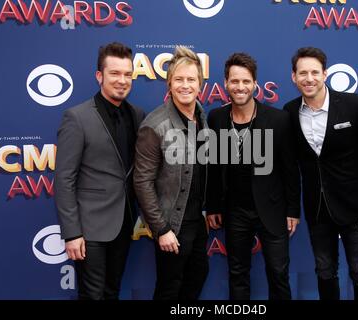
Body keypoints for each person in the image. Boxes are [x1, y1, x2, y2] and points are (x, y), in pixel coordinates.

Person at [283, 47, 358, 300]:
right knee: (325, 271)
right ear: (293, 77)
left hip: (356, 207)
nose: (309, 78)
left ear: (325, 74)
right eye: (303, 73)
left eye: (315, 72)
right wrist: (292, 210)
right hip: (317, 209)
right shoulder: (289, 111)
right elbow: (290, 167)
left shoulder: (356, 104)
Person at [206, 52, 300, 300]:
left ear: (255, 84)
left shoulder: (278, 119)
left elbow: (290, 169)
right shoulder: (216, 118)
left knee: (278, 273)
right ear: (226, 84)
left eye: (246, 81)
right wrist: (214, 205)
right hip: (235, 210)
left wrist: (292, 210)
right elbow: (214, 168)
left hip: (273, 208)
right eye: (234, 81)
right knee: (237, 273)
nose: (240, 87)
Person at [54, 42, 145, 300]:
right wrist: (72, 233)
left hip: (124, 223)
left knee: (111, 291)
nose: (122, 80)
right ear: (99, 76)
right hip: (89, 228)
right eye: (115, 73)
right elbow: (64, 180)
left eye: (128, 74)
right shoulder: (77, 117)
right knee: (92, 295)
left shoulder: (137, 115)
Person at [134, 46, 209, 300]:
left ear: (200, 84)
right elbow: (142, 181)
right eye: (179, 79)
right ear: (169, 84)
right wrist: (162, 228)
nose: (185, 85)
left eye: (191, 79)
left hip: (197, 222)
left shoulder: (201, 116)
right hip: (172, 225)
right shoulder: (155, 125)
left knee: (197, 277)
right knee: (169, 288)